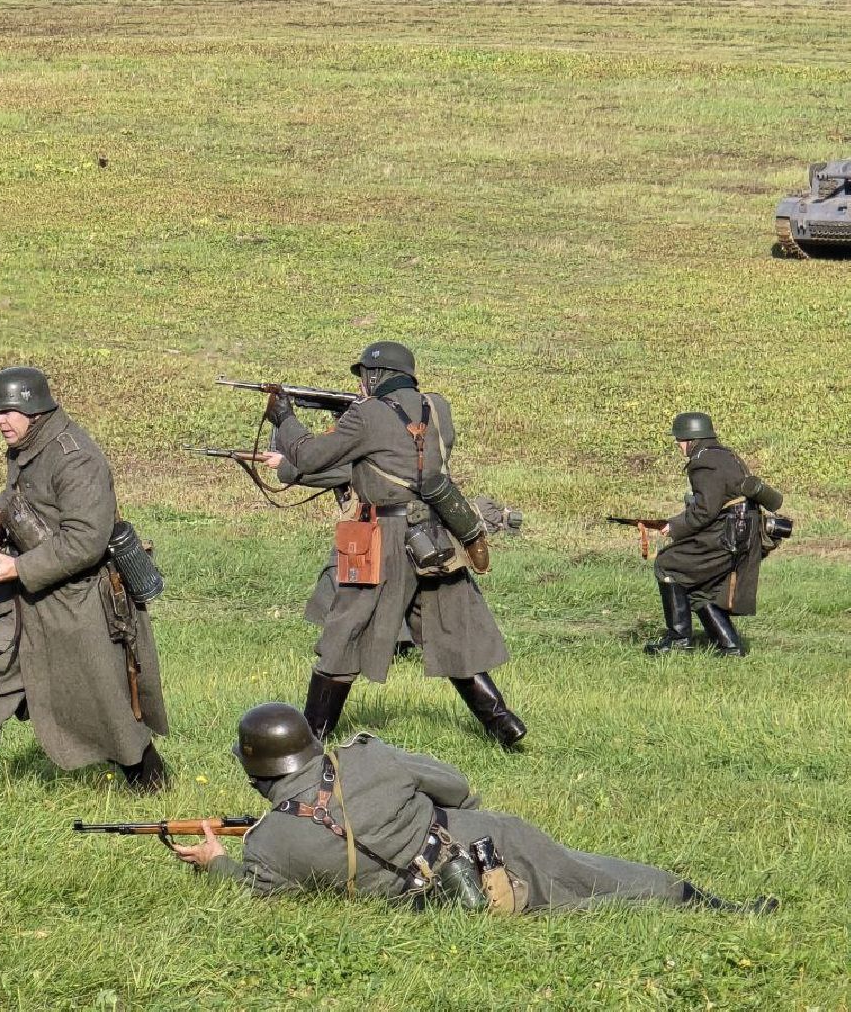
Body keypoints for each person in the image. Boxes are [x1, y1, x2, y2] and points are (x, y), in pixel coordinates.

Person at [171, 703, 777, 914]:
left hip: (436, 897)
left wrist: (214, 860)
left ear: (256, 771)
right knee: (586, 875)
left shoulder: (271, 845)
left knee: (575, 898)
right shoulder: (370, 756)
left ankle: (690, 904)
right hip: (487, 838)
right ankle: (697, 901)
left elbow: (260, 885)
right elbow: (457, 787)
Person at [0, 366, 171, 790]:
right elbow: (18, 491)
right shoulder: (30, 444)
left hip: (73, 602)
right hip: (21, 598)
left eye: (6, 411)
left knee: (99, 705)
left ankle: (151, 783)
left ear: (34, 407)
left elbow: (86, 540)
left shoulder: (76, 457)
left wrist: (20, 567)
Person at [268, 341, 527, 748]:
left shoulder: (367, 415)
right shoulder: (437, 407)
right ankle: (504, 725)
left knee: (344, 632)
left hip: (383, 539)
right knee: (452, 633)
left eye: (363, 377)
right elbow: (408, 454)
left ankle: (310, 740)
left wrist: (285, 419)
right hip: (438, 535)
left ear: (374, 376)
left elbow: (309, 456)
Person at [644, 413, 768, 657]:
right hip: (739, 533)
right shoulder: (723, 455)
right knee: (702, 586)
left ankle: (678, 641)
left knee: (668, 565)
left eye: (680, 439)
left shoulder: (703, 462)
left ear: (691, 439)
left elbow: (704, 510)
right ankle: (730, 646)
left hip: (727, 535)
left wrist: (675, 527)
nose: (678, 445)